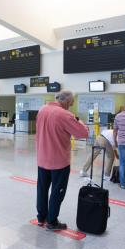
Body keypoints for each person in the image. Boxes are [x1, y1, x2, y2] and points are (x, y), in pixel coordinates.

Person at [35, 90, 89, 231]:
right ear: (65, 101)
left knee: (42, 189)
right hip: (58, 162)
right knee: (57, 192)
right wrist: (81, 122)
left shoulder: (42, 110)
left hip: (42, 159)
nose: (70, 107)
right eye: (70, 104)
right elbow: (83, 133)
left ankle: (41, 218)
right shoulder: (65, 114)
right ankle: (52, 222)